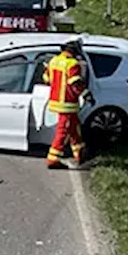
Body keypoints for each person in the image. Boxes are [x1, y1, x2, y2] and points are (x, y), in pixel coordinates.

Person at [44, 37, 91, 169]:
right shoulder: (72, 64)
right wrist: (86, 94)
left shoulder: (53, 61)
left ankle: (80, 153)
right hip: (67, 103)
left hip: (56, 101)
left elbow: (46, 78)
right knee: (63, 131)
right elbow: (75, 83)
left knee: (74, 128)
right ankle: (52, 159)